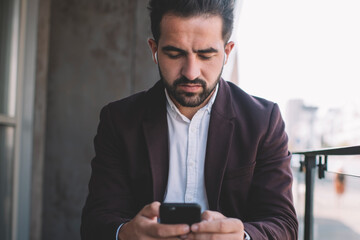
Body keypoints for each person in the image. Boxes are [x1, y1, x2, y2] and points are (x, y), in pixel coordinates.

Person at [81, 0, 298, 239]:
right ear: (154, 50)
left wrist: (242, 236)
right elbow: (96, 221)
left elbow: (284, 224)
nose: (191, 72)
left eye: (206, 55)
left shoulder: (263, 121)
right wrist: (125, 233)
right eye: (175, 54)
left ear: (227, 52)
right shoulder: (119, 120)